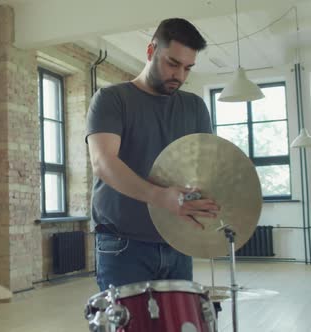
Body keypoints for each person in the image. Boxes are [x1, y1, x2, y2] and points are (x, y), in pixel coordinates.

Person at [85, 18, 221, 291]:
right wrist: (161, 197)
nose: (180, 76)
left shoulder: (195, 107)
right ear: (150, 52)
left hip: (178, 242)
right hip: (123, 245)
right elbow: (103, 162)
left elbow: (204, 168)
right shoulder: (111, 99)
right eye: (172, 63)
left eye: (188, 68)